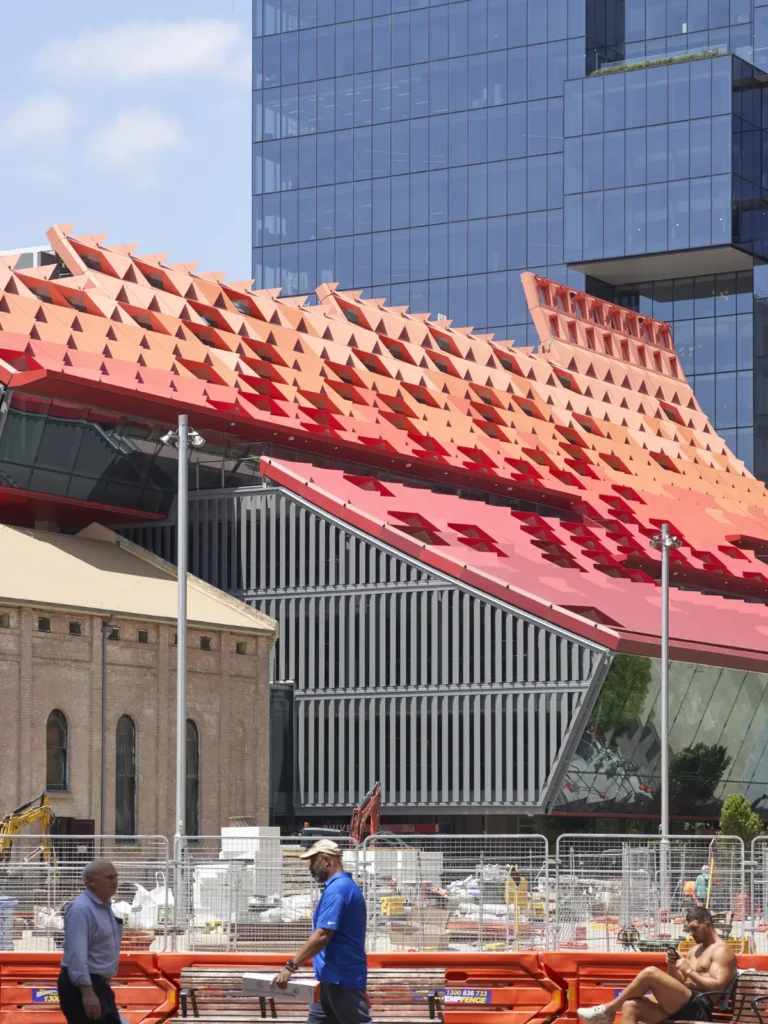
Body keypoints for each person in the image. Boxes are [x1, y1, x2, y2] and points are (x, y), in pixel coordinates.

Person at [577, 906, 736, 1024]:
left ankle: (608, 1010)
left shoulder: (721, 950)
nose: (691, 933)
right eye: (689, 929)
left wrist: (688, 970)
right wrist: (672, 966)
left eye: (694, 928)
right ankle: (609, 1011)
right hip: (681, 1003)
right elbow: (678, 982)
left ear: (707, 925)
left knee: (650, 973)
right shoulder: (695, 950)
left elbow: (718, 987)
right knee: (630, 1006)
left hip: (699, 1006)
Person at [273, 839, 370, 1024]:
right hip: (329, 978)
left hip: (340, 979)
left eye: (313, 861)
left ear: (326, 860)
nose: (310, 868)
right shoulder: (341, 887)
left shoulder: (338, 890)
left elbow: (322, 935)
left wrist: (291, 966)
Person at [58, 859, 122, 1023]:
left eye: (115, 877)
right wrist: (88, 993)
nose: (114, 882)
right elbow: (77, 954)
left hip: (99, 986)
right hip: (83, 987)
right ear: (91, 881)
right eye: (109, 877)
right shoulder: (81, 909)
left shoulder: (104, 906)